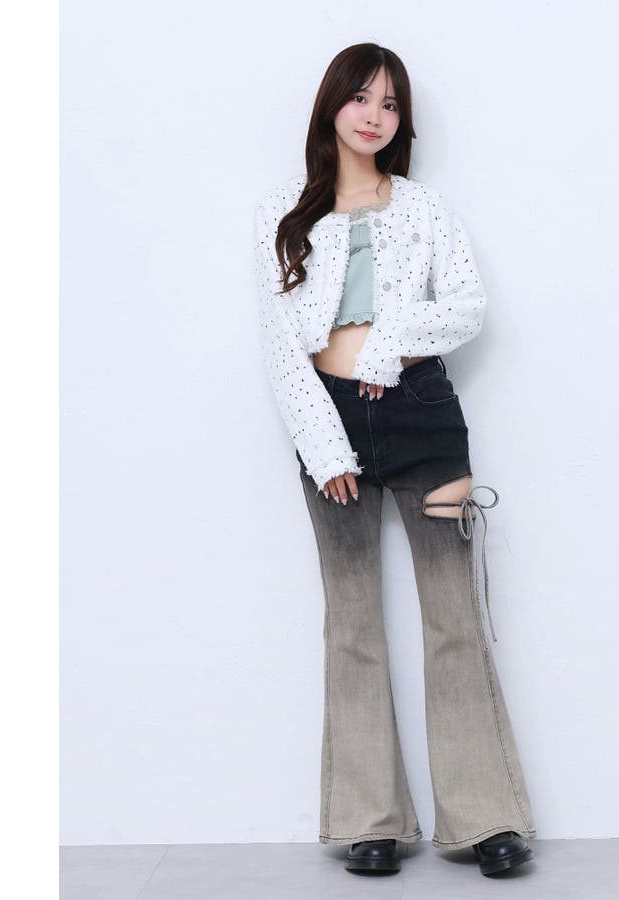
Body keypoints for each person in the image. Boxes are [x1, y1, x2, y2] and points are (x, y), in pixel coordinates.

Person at [253, 43, 537, 877]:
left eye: (389, 102)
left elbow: (467, 308)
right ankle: (369, 820)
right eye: (360, 97)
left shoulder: (424, 209)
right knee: (352, 622)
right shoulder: (282, 214)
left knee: (454, 618)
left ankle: (485, 819)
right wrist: (324, 443)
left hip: (422, 416)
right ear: (331, 106)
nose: (374, 114)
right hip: (328, 423)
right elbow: (280, 346)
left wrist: (386, 348)